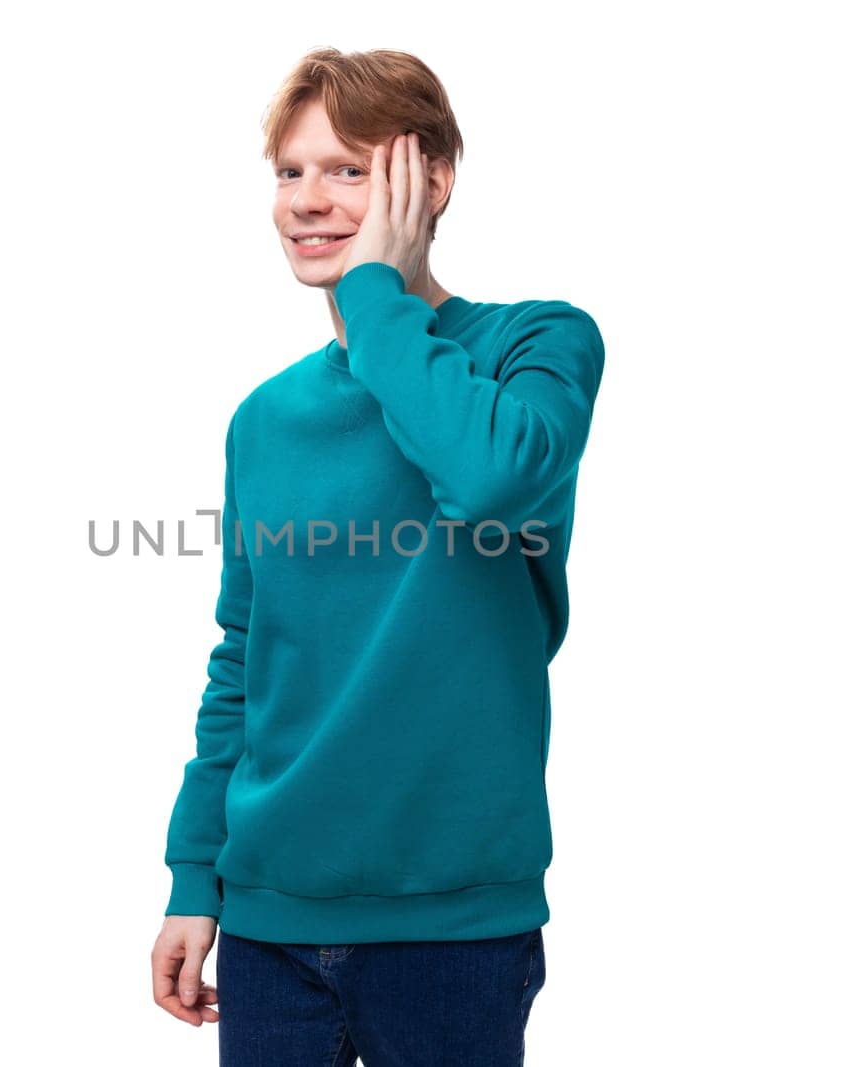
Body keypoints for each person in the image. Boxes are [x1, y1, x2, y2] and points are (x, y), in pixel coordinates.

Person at [150, 47, 606, 1065]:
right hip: (269, 919)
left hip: (451, 928)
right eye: (289, 172)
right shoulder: (264, 418)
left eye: (348, 170)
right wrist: (194, 876)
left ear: (431, 179)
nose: (307, 201)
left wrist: (374, 297)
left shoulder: (535, 345)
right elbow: (244, 656)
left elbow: (490, 478)